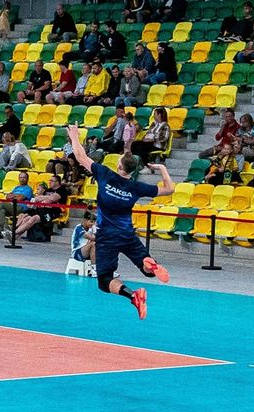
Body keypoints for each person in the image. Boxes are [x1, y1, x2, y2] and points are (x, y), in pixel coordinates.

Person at [64, 124, 173, 319]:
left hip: (107, 237)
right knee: (147, 271)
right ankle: (151, 265)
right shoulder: (136, 187)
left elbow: (80, 157)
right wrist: (162, 168)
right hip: (127, 235)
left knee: (104, 281)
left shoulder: (105, 174)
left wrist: (74, 136)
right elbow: (169, 189)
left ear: (119, 166)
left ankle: (133, 296)